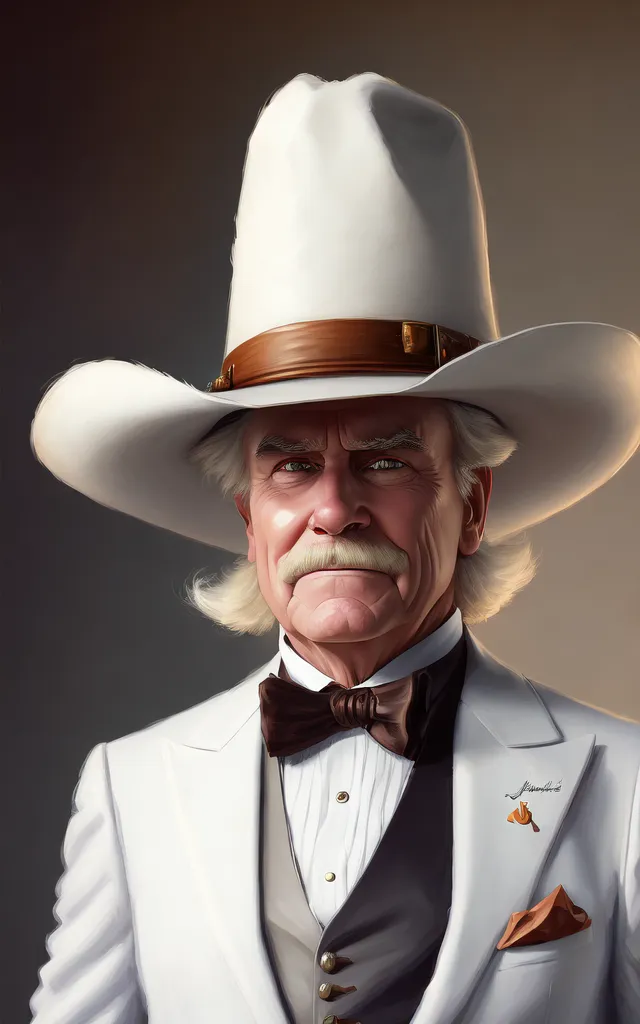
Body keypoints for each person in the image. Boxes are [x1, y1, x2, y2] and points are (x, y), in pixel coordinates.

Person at [29, 73, 640, 1024]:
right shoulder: (132, 787)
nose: (334, 508)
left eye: (387, 459)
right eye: (288, 466)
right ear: (247, 517)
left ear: (473, 502)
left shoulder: (627, 782)